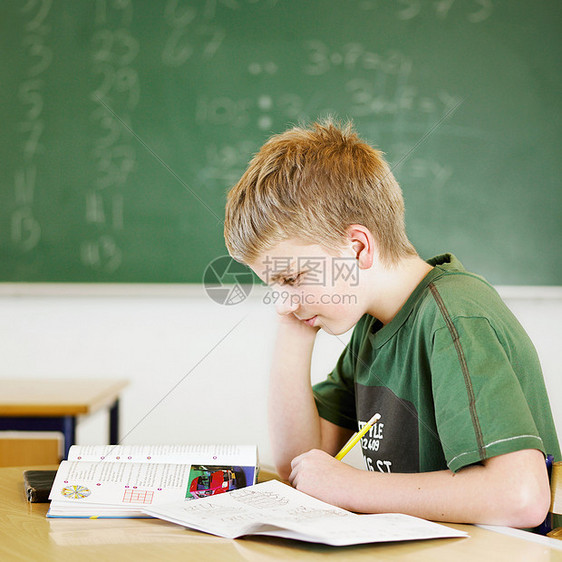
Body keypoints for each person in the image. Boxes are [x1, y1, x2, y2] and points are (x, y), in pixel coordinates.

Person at [223, 118, 560, 527]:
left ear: (358, 246)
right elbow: (303, 465)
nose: (282, 301)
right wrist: (295, 322)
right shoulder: (373, 327)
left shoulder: (453, 316)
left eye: (292, 277)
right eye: (274, 285)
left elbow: (520, 497)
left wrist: (351, 487)